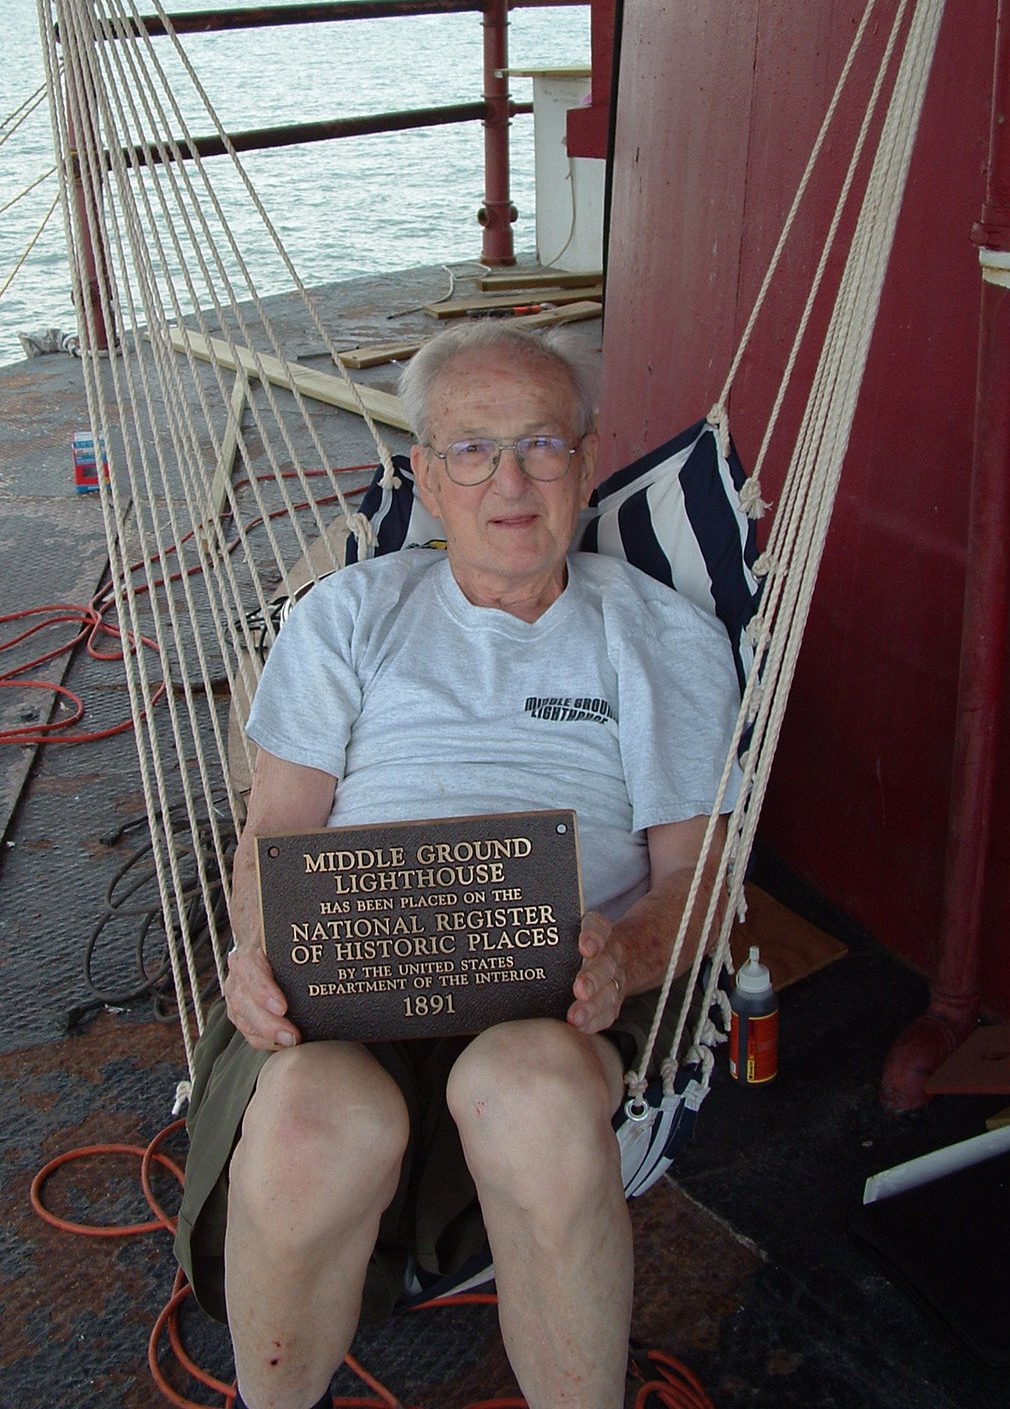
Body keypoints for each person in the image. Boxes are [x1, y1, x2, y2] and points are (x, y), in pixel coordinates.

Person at [173, 322, 740, 1409]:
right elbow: (276, 831)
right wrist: (256, 949)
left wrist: (623, 949)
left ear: (583, 459)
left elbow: (704, 876)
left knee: (523, 1093)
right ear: (426, 479)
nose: (511, 480)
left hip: (565, 989)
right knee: (308, 1124)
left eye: (540, 443)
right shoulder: (348, 615)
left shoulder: (659, 638)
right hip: (350, 972)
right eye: (472, 450)